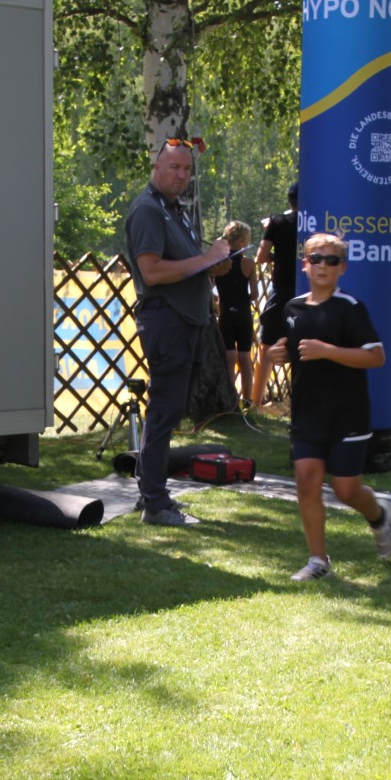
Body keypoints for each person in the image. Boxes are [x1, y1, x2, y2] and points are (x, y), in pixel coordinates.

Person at [267, 233, 391, 581]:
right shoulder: (292, 308)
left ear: (343, 268)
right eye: (316, 259)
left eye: (331, 260)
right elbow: (291, 350)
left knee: (346, 490)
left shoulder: (350, 308)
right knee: (306, 481)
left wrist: (328, 351)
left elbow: (376, 356)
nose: (322, 265)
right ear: (305, 264)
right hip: (308, 412)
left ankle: (379, 516)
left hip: (347, 413)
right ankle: (318, 561)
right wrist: (278, 355)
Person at [123, 138, 231, 526]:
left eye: (187, 169)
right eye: (174, 167)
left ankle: (149, 492)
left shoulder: (173, 210)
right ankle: (156, 503)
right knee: (164, 412)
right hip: (167, 321)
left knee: (166, 412)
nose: (182, 175)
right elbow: (152, 272)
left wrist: (213, 264)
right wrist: (205, 260)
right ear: (156, 167)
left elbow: (186, 265)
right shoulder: (148, 210)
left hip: (185, 320)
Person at [251, 182, 300, 407]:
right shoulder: (317, 221)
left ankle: (255, 402)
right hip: (309, 289)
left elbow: (260, 257)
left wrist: (277, 257)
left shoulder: (277, 222)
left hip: (282, 290)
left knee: (267, 344)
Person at [210, 220, 259, 407]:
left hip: (226, 315)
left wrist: (217, 298)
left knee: (229, 358)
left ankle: (230, 400)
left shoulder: (219, 265)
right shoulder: (248, 263)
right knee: (245, 358)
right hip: (244, 314)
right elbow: (255, 294)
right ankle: (247, 401)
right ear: (241, 242)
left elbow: (208, 287)